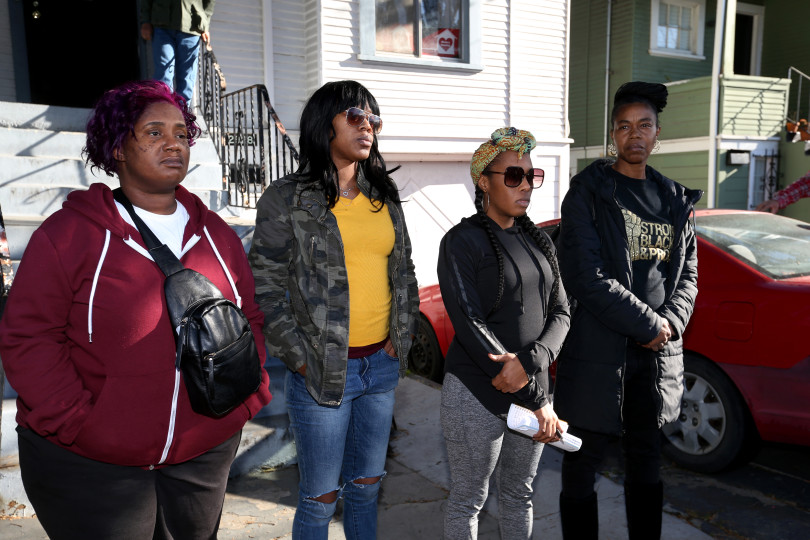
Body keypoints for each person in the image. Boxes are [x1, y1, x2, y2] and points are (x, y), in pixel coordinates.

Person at [0, 80, 272, 540]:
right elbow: (29, 338)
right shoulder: (69, 234)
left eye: (182, 134)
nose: (173, 144)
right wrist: (81, 423)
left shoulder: (219, 236)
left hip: (200, 457)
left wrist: (242, 402)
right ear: (118, 148)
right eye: (153, 132)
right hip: (91, 465)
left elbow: (251, 320)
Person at [248, 80, 419, 539]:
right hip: (322, 374)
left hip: (380, 369)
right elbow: (264, 285)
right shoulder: (288, 198)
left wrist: (397, 342)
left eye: (374, 119)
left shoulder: (385, 196)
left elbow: (404, 273)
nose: (368, 127)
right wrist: (300, 358)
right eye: (355, 117)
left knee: (366, 488)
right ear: (326, 126)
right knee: (319, 499)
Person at [554, 82, 702, 540]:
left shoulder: (676, 199)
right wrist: (648, 324)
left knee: (647, 463)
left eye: (644, 125)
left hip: (656, 357)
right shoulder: (588, 192)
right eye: (624, 126)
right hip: (598, 351)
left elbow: (689, 277)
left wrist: (669, 326)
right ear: (613, 135)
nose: (634, 134)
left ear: (657, 133)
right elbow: (585, 273)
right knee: (582, 465)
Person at [437, 127, 571, 539]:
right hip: (476, 392)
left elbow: (563, 313)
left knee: (518, 494)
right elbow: (470, 323)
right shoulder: (461, 242)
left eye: (532, 176)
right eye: (514, 176)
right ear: (484, 181)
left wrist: (532, 369)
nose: (526, 185)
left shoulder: (538, 241)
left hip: (534, 390)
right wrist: (536, 399)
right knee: (467, 499)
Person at [140, 0, 216, 103]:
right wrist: (145, 21)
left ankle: (182, 114)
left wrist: (205, 22)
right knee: (163, 74)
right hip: (162, 22)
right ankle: (163, 112)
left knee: (187, 78)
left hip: (191, 24)